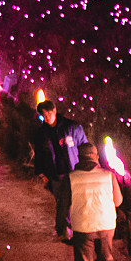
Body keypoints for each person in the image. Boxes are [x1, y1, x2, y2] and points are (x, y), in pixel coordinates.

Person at [57, 143, 124, 261]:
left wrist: (61, 226)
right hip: (106, 225)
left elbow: (63, 205)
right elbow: (118, 201)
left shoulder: (71, 178)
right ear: (96, 158)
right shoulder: (109, 175)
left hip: (83, 227)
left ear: (79, 158)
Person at [32, 100, 90, 238]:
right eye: (43, 116)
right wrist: (41, 173)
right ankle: (63, 230)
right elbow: (39, 154)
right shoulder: (42, 133)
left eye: (48, 114)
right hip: (55, 173)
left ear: (54, 111)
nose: (46, 118)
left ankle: (71, 229)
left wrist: (86, 165)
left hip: (74, 171)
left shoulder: (72, 127)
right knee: (61, 201)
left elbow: (84, 146)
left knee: (74, 201)